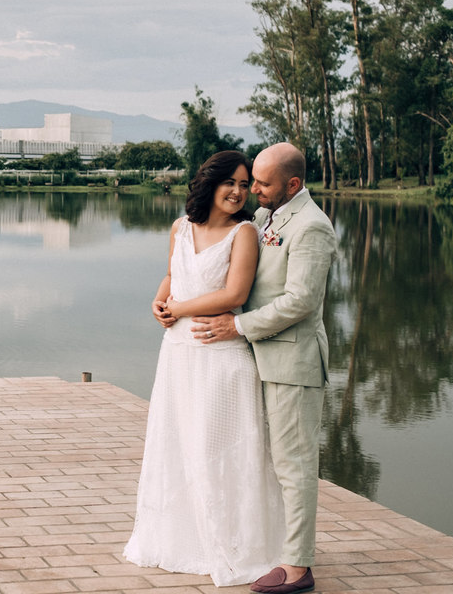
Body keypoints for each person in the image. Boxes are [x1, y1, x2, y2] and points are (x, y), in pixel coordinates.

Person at [124, 150, 285, 587]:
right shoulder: (180, 227)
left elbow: (234, 294)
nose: (237, 191)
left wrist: (179, 307)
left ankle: (234, 546)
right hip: (177, 354)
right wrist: (160, 303)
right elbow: (172, 276)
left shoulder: (245, 233)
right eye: (229, 182)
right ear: (208, 183)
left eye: (244, 183)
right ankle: (182, 540)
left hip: (221, 357)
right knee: (177, 444)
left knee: (220, 449)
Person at [190, 142, 337, 594]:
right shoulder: (264, 218)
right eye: (250, 179)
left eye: (261, 182)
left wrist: (237, 326)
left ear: (292, 185)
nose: (252, 188)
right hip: (259, 360)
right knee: (270, 462)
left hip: (291, 363)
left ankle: (298, 568)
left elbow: (301, 301)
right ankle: (277, 545)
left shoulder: (312, 227)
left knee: (294, 466)